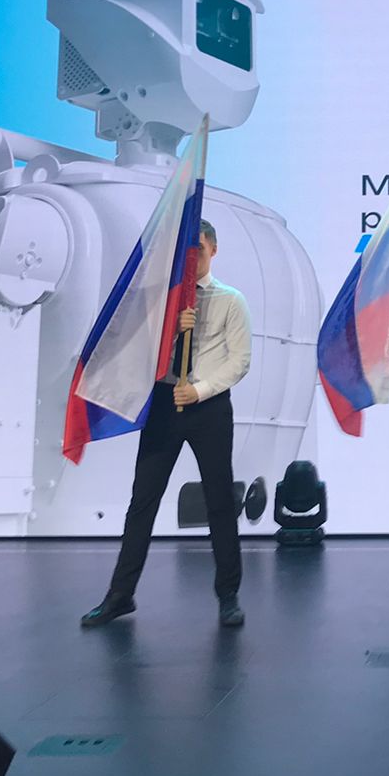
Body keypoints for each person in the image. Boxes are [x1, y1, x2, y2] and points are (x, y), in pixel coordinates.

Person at [81, 220, 253, 629]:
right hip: (164, 403)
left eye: (200, 249)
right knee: (143, 500)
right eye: (186, 251)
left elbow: (240, 360)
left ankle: (228, 594)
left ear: (213, 250)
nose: (193, 257)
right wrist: (171, 331)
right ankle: (120, 595)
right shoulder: (162, 301)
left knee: (219, 500)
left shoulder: (231, 300)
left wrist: (200, 390)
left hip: (208, 407)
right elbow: (137, 348)